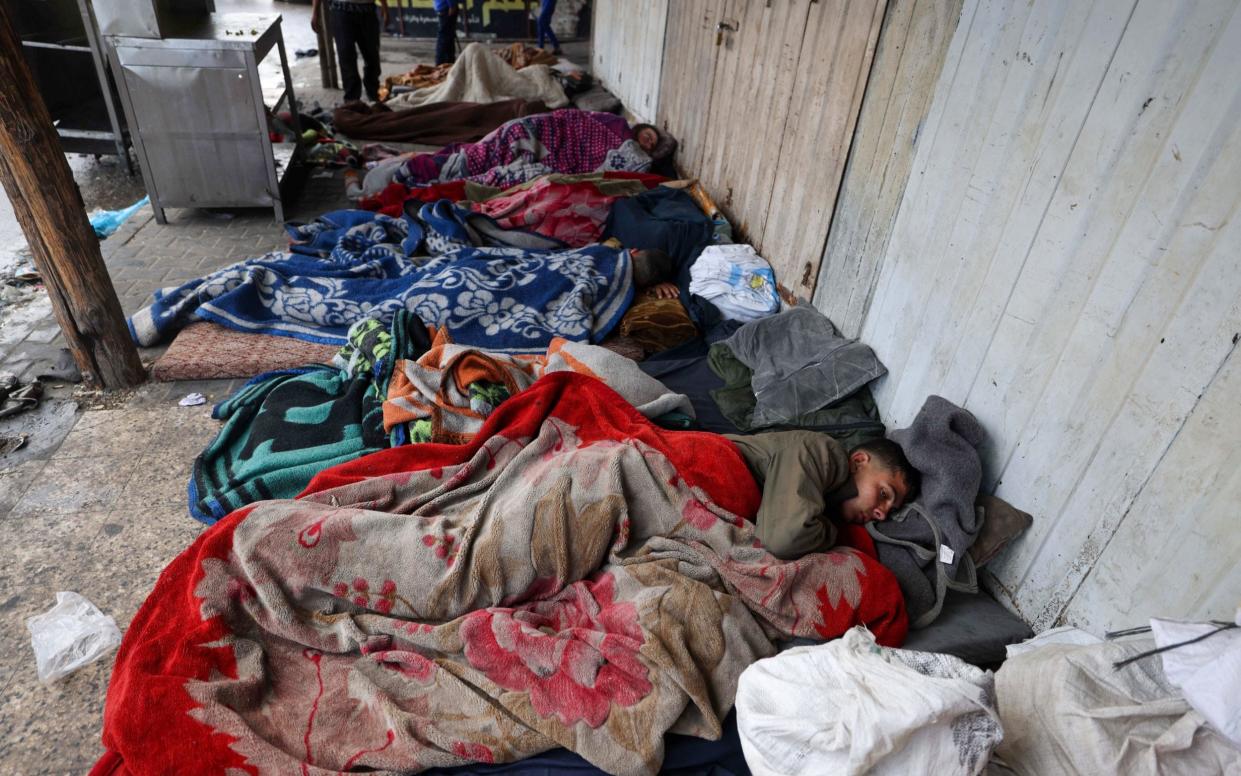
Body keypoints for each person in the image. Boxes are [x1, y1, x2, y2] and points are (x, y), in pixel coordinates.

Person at [726, 432, 920, 560]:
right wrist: (834, 533)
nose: (882, 514)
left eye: (891, 510)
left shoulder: (830, 500)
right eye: (884, 494)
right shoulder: (823, 452)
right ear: (858, 462)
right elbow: (784, 539)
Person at [312, 0, 389, 103]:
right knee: (346, 57)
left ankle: (373, 95)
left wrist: (385, 8)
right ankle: (352, 101)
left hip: (368, 11)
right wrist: (315, 12)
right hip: (341, 11)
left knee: (372, 57)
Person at [434, 0, 458, 66]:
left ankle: (448, 62)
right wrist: (452, 5)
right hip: (446, 8)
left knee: (448, 37)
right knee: (445, 38)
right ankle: (440, 63)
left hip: (443, 7)